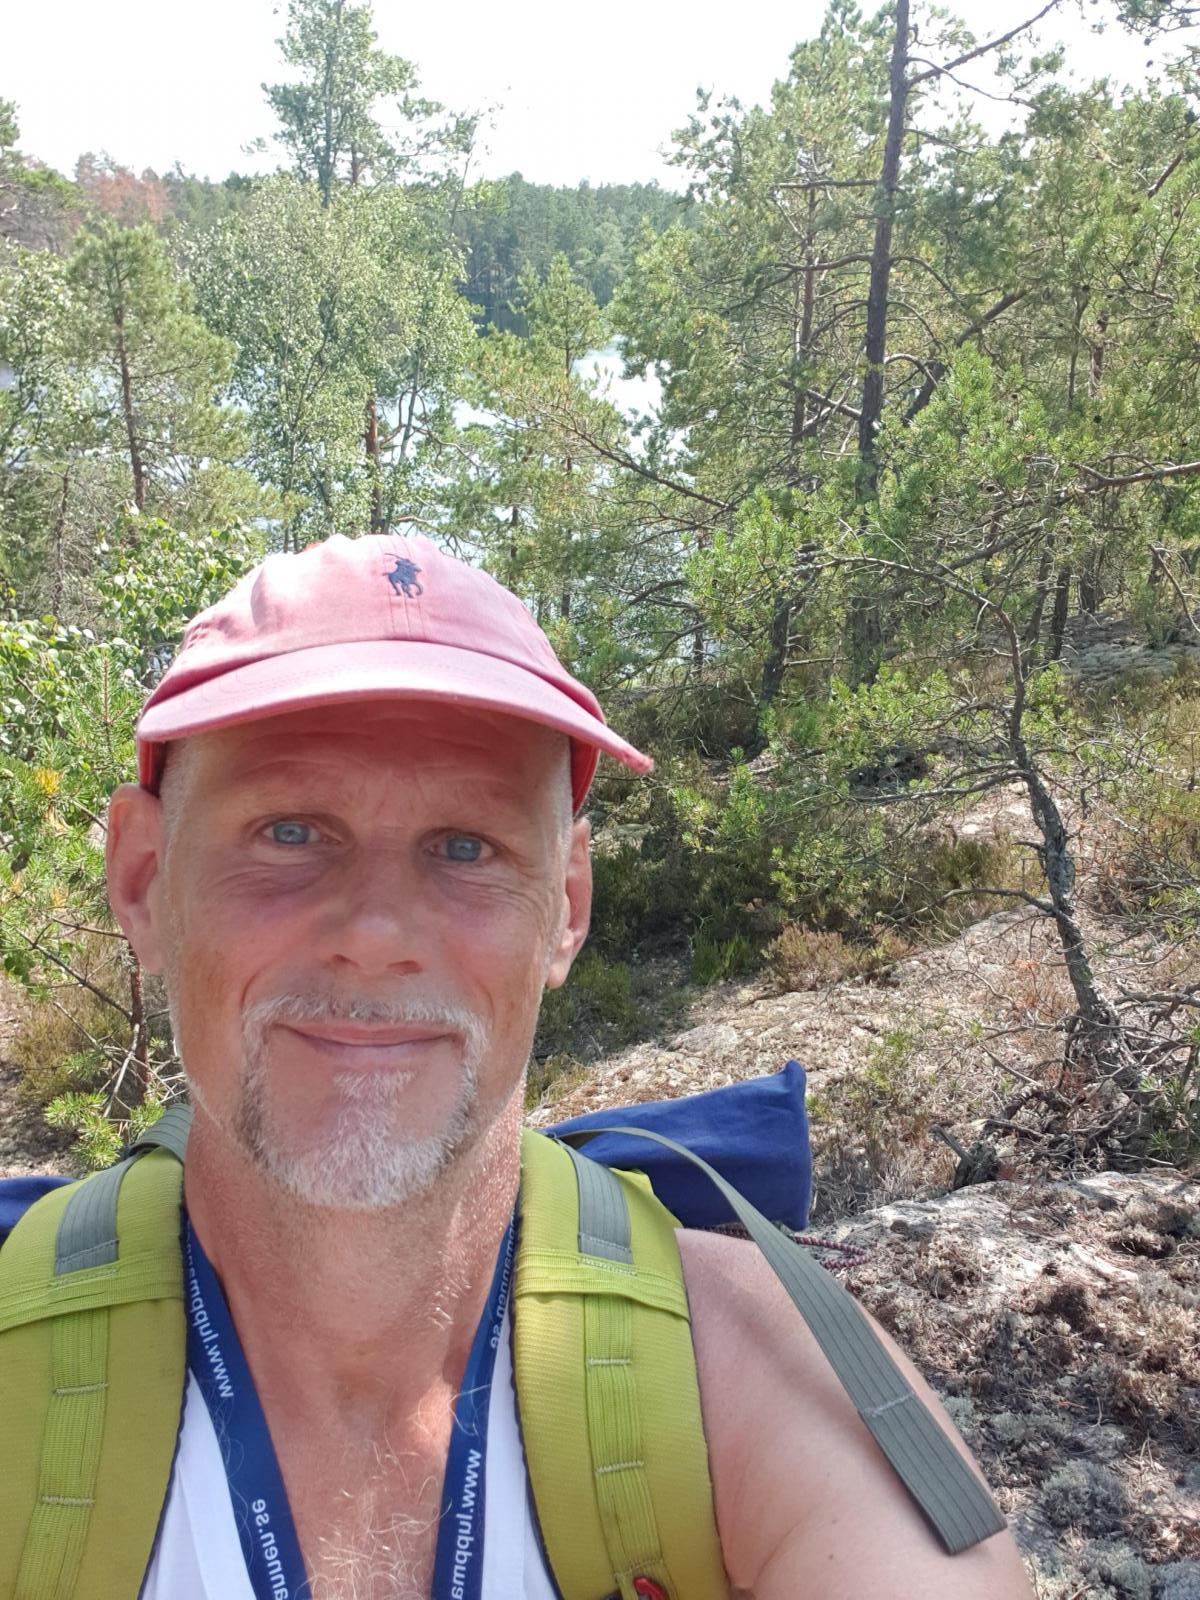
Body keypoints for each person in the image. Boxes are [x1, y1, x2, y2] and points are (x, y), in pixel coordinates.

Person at [10, 534, 1034, 1599]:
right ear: (143, 878)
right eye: (291, 831)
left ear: (567, 907)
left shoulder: (750, 1370)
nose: (377, 932)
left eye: (466, 847)